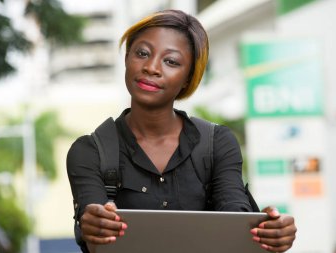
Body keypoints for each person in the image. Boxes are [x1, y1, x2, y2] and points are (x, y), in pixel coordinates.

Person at [67, 9, 297, 253]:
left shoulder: (217, 143)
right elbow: (92, 226)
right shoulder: (90, 152)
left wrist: (269, 232)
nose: (151, 67)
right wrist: (92, 222)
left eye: (171, 61)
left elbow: (234, 214)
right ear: (127, 58)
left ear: (188, 77)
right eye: (142, 53)